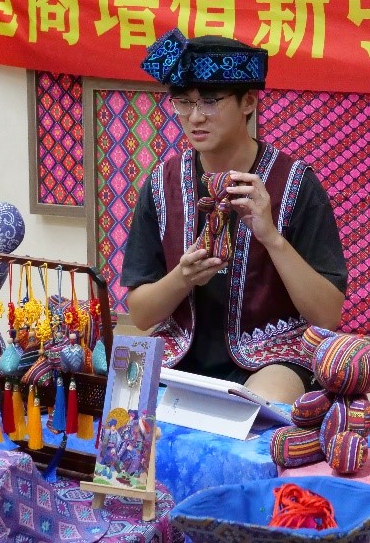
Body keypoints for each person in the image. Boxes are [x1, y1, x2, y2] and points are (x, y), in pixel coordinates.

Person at [121, 28, 348, 404]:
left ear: (248, 102)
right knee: (122, 404)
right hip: (178, 350)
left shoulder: (294, 182)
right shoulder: (163, 184)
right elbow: (142, 315)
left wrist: (271, 237)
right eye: (183, 102)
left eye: (210, 101)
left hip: (274, 356)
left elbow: (327, 315)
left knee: (251, 410)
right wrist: (182, 277)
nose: (195, 117)